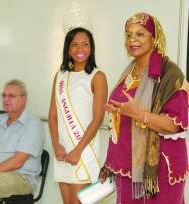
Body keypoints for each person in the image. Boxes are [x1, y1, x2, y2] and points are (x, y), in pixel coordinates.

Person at [100, 12, 189, 203]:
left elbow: (174, 125)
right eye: (129, 35)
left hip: (159, 171)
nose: (133, 40)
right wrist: (118, 113)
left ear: (154, 37)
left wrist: (138, 114)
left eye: (140, 34)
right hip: (126, 165)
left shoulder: (170, 75)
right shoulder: (129, 70)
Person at [48, 2, 108, 204]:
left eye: (85, 44)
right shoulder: (60, 75)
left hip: (83, 152)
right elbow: (53, 115)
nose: (80, 49)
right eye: (74, 44)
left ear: (91, 46)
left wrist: (78, 150)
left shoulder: (97, 76)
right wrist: (56, 144)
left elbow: (98, 118)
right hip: (63, 153)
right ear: (68, 48)